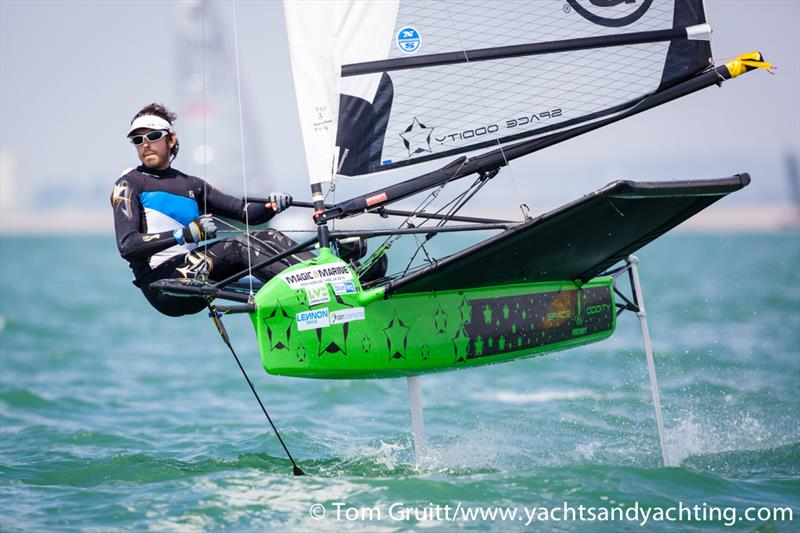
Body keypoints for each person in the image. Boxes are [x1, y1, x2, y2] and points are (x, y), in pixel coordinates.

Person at [111, 103, 314, 316]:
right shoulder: (129, 184)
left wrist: (271, 206)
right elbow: (127, 245)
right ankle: (307, 291)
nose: (145, 145)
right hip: (164, 285)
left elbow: (245, 214)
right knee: (237, 245)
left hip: (197, 279)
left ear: (171, 139)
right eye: (137, 140)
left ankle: (323, 275)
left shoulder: (192, 185)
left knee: (270, 236)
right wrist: (183, 234)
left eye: (153, 136)